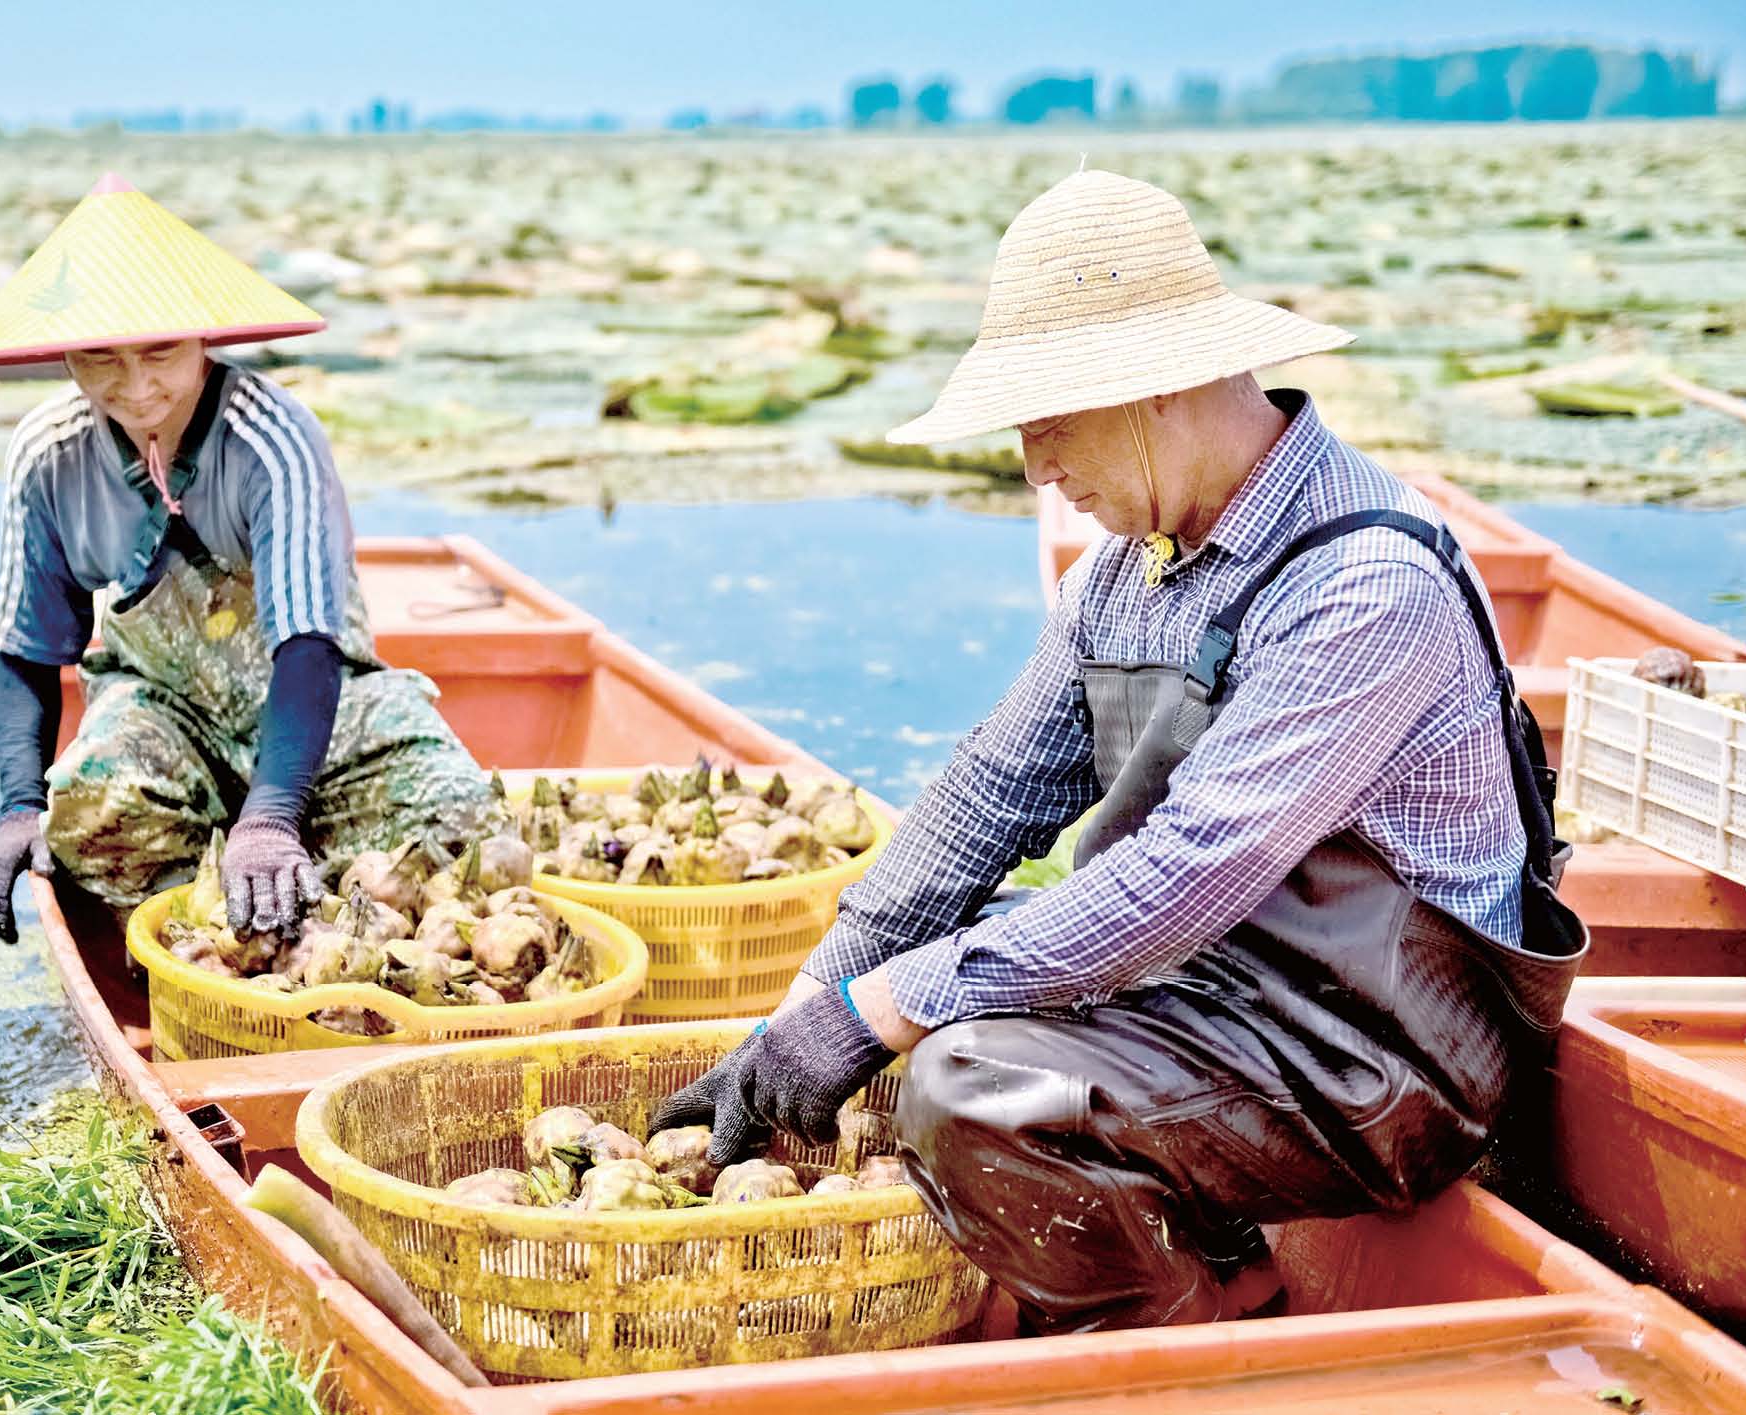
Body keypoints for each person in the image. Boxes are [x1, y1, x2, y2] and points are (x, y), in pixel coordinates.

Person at [653, 170, 1587, 1332]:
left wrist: (881, 1008)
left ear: (1150, 389)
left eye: (1046, 425)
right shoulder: (1120, 575)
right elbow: (985, 794)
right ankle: (1218, 1269)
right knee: (947, 965)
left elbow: (1181, 873)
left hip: (1380, 1060)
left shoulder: (1363, 584)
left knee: (966, 1089)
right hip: (1214, 996)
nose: (1035, 470)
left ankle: (1189, 1340)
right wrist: (808, 1004)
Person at [0, 174, 495, 943]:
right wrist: (16, 809)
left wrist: (271, 816)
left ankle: (301, 893)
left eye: (161, 351)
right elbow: (28, 648)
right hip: (163, 707)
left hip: (318, 703)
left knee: (463, 817)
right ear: (63, 352)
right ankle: (199, 935)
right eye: (100, 358)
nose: (137, 388)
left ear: (205, 338)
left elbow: (309, 646)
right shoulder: (50, 455)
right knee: (89, 809)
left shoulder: (272, 439)